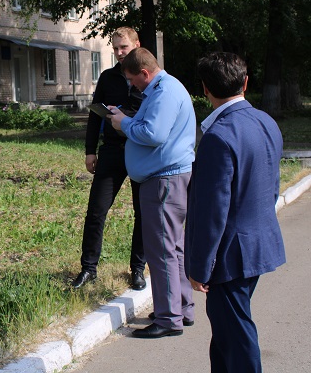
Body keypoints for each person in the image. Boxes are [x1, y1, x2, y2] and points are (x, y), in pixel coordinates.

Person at [185, 52, 285, 371]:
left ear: (205, 89)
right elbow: (271, 187)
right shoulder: (266, 122)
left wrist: (200, 267)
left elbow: (212, 213)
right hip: (256, 244)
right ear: (245, 82)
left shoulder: (218, 136)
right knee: (226, 335)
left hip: (229, 257)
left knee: (237, 337)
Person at [109, 47, 196, 338]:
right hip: (168, 178)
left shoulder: (164, 91)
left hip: (163, 181)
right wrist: (127, 119)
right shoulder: (164, 88)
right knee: (174, 248)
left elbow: (153, 134)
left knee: (161, 251)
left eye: (133, 79)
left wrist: (123, 123)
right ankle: (180, 308)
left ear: (145, 73)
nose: (132, 85)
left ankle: (169, 318)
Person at [71, 27, 147, 291]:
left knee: (142, 212)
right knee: (96, 210)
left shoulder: (148, 77)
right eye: (115, 48)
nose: (119, 52)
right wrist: (90, 150)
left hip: (140, 151)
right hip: (112, 151)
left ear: (136, 44)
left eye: (124, 47)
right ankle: (88, 269)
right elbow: (95, 115)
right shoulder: (108, 77)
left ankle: (138, 269)